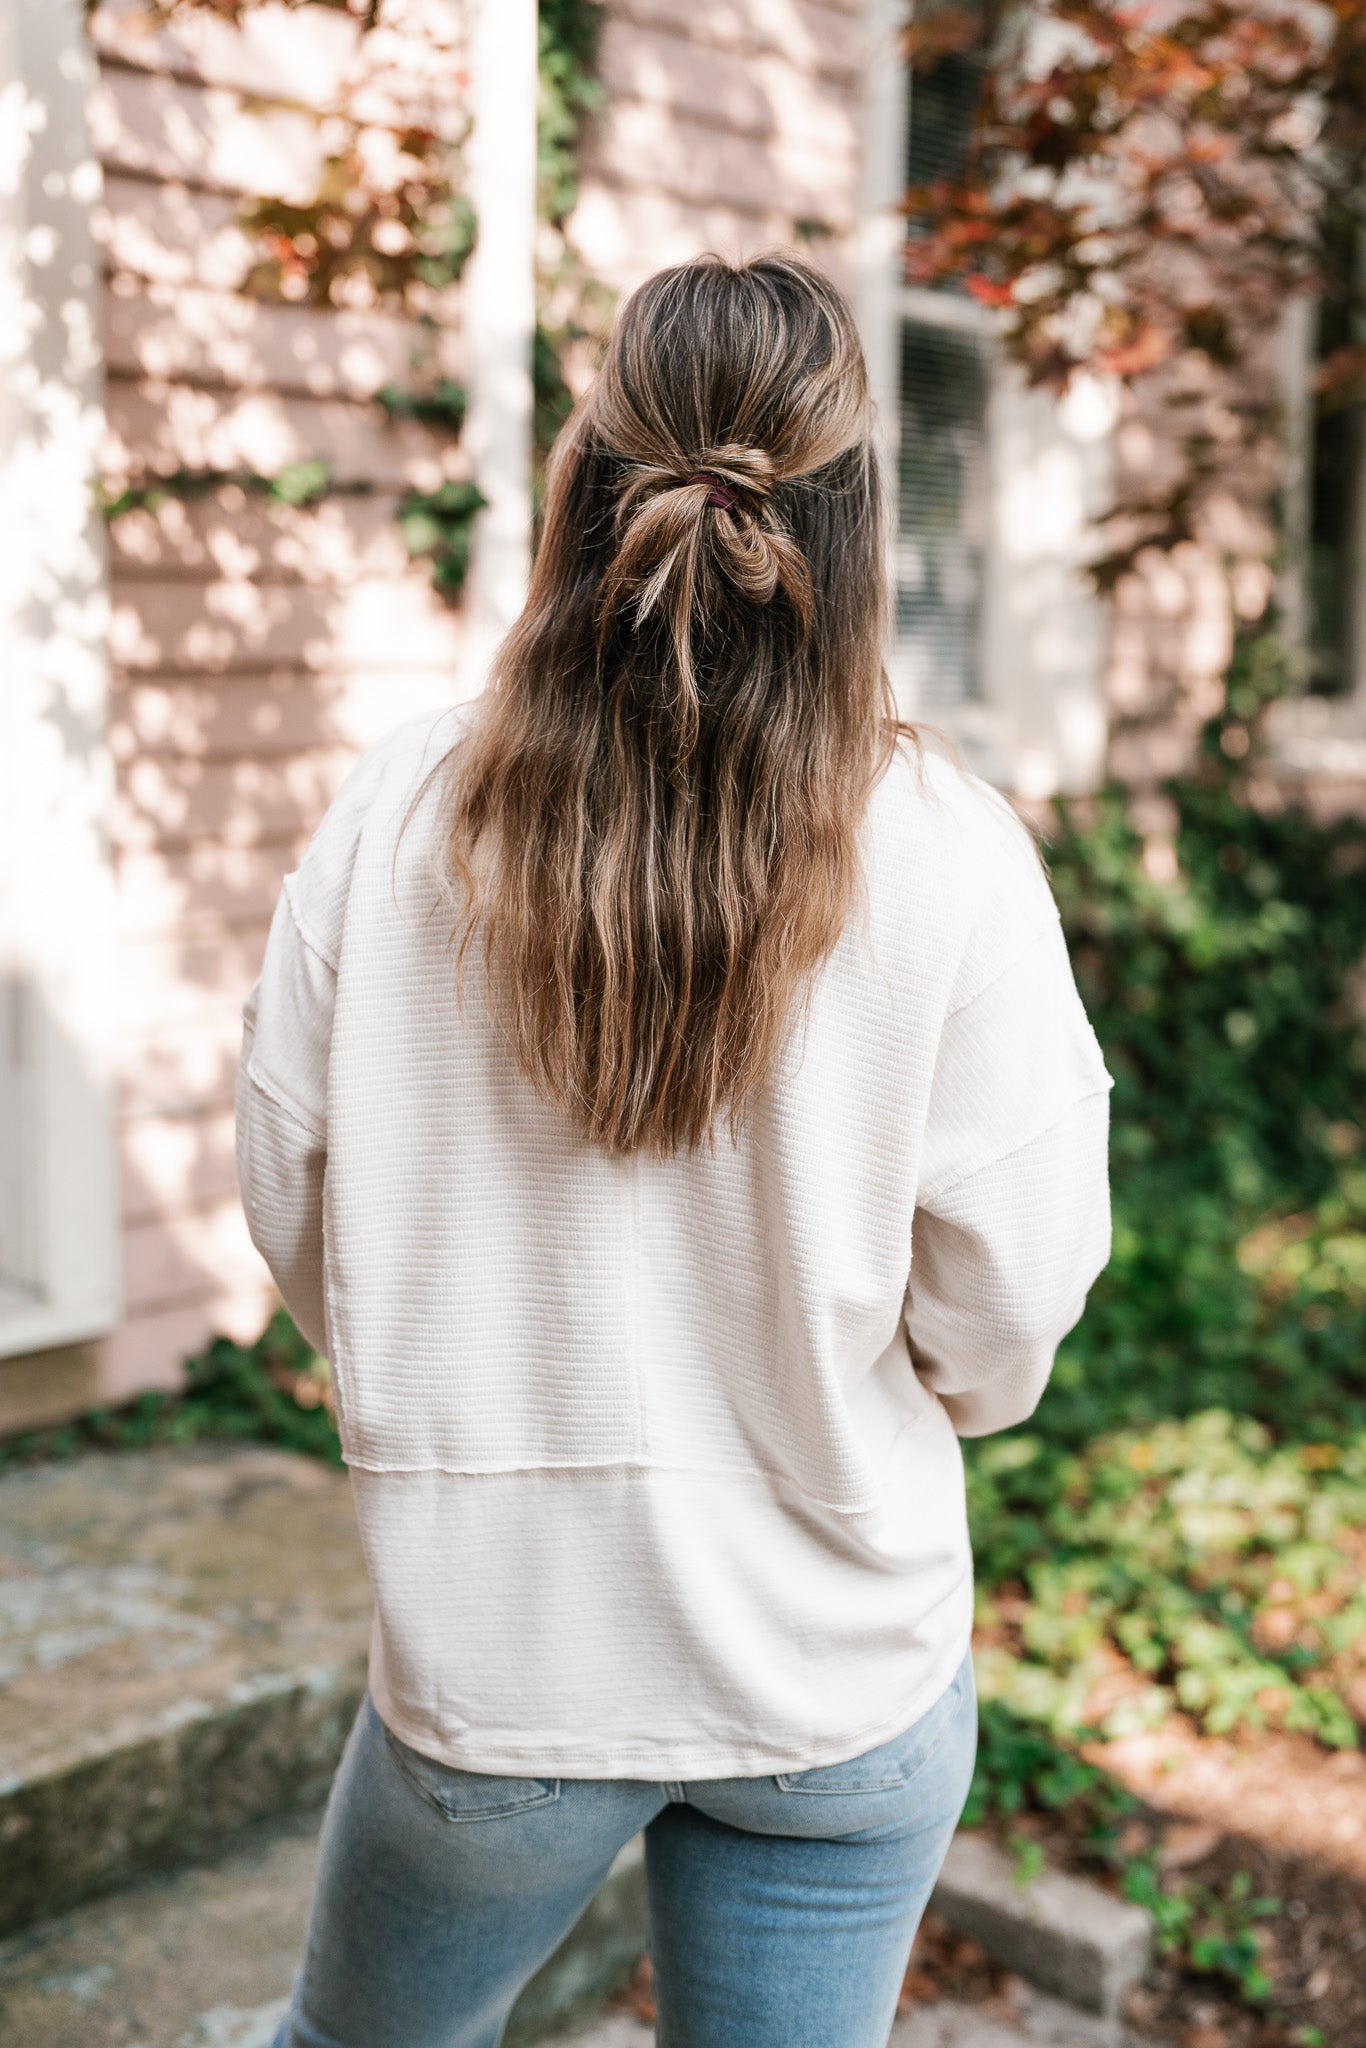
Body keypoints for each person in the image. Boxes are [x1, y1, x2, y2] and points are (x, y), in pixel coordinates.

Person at [238, 251, 1112, 2048]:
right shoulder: (950, 851)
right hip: (838, 1669)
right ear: (856, 522)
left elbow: (291, 1193)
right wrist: (909, 1387)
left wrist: (440, 1368)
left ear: (582, 488)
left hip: (501, 1670)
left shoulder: (401, 811)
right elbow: (1014, 1291)